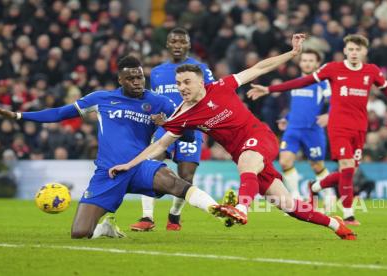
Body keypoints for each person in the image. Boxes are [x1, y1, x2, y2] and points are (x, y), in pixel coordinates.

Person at [109, 34, 357, 240]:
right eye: (178, 83)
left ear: (200, 83)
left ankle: (241, 209)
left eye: (186, 82)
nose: (181, 87)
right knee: (289, 206)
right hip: (243, 155)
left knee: (247, 161)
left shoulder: (221, 86)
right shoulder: (182, 115)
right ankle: (336, 225)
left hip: (259, 137)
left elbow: (258, 68)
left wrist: (292, 53)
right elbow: (159, 145)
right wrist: (130, 164)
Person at [0, 55, 240, 239]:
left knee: (174, 182)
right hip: (108, 172)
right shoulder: (101, 99)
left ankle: (217, 209)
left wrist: (168, 124)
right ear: (120, 80)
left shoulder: (159, 102)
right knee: (79, 233)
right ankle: (104, 228)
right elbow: (59, 113)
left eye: (140, 76)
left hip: (139, 166)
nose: (137, 81)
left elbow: (186, 137)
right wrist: (18, 117)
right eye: (130, 78)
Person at [246, 34, 387, 225]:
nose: (354, 53)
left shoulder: (371, 71)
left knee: (349, 172)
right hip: (338, 127)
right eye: (351, 49)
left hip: (360, 128)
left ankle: (315, 186)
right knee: (346, 166)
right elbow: (302, 82)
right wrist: (269, 89)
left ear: (364, 51)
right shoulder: (333, 69)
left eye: (358, 49)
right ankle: (348, 215)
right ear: (345, 51)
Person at [132, 27, 215, 232]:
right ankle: (147, 217)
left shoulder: (201, 68)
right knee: (150, 164)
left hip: (192, 128)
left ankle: (174, 216)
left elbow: (213, 95)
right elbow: (152, 100)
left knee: (186, 175)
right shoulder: (158, 72)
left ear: (188, 44)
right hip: (165, 127)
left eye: (182, 42)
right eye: (174, 42)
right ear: (168, 44)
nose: (178, 45)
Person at [253, 49, 334, 212]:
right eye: (304, 60)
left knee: (317, 165)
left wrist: (328, 115)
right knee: (284, 161)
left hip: (312, 130)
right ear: (300, 63)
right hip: (293, 129)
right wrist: (288, 119)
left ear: (317, 64)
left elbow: (334, 101)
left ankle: (330, 197)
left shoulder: (323, 83)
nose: (307, 63)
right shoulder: (296, 83)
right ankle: (296, 198)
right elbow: (297, 107)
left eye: (311, 60)